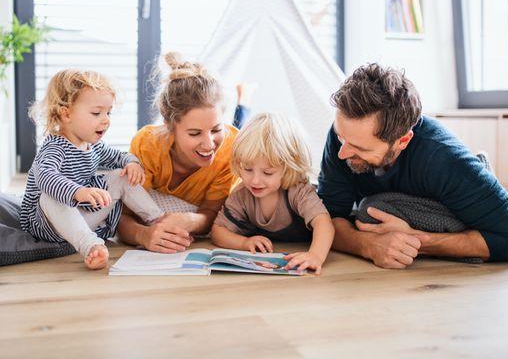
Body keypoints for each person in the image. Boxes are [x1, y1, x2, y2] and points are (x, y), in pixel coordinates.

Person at [318, 63, 508, 269]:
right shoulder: (345, 136)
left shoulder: (444, 159)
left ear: (402, 141)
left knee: (369, 211)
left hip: (451, 192)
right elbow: (326, 219)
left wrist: (417, 241)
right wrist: (367, 246)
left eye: (359, 148)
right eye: (340, 137)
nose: (341, 152)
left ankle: (482, 175)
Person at [20, 69, 181, 269]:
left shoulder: (94, 146)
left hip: (81, 217)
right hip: (47, 224)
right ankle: (91, 245)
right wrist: (77, 192)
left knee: (119, 176)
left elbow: (119, 156)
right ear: (66, 113)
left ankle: (157, 218)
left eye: (108, 112)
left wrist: (132, 163)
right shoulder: (55, 148)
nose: (106, 120)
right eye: (97, 113)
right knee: (49, 196)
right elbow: (44, 177)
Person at [117, 52, 239, 253]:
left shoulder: (230, 149)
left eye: (216, 130)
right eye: (194, 133)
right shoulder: (148, 145)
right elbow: (123, 214)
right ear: (170, 126)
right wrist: (143, 235)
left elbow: (212, 213)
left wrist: (191, 220)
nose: (209, 144)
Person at [211, 113, 335, 275]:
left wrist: (315, 255)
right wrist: (244, 243)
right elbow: (218, 231)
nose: (255, 181)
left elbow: (324, 223)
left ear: (288, 168)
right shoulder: (242, 194)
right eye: (248, 169)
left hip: (306, 249)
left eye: (267, 173)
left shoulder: (297, 190)